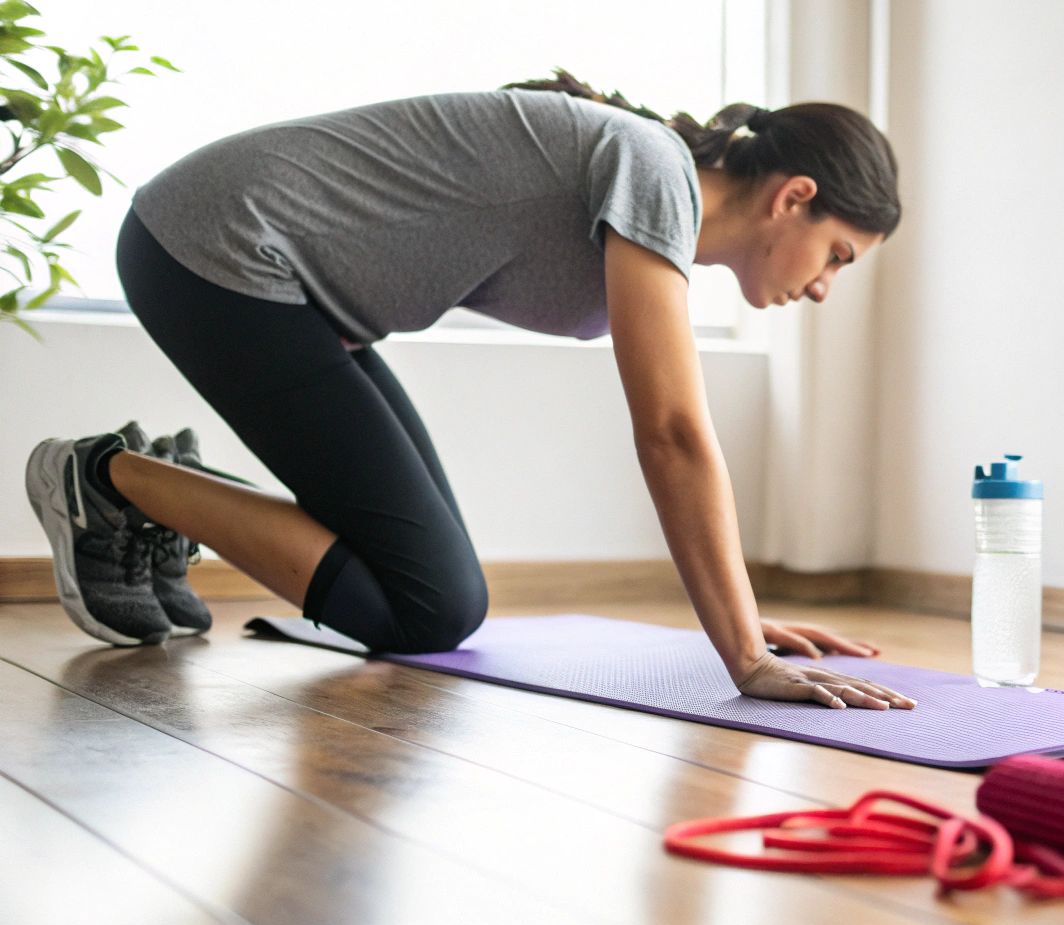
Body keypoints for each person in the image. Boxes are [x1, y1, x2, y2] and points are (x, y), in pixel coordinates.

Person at [23, 70, 914, 712]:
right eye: (838, 255)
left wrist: (746, 621)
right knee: (428, 608)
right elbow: (672, 432)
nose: (825, 287)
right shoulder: (655, 172)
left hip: (289, 297)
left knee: (429, 589)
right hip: (215, 253)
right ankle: (106, 479)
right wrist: (746, 655)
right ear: (794, 197)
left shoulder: (650, 193)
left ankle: (159, 490)